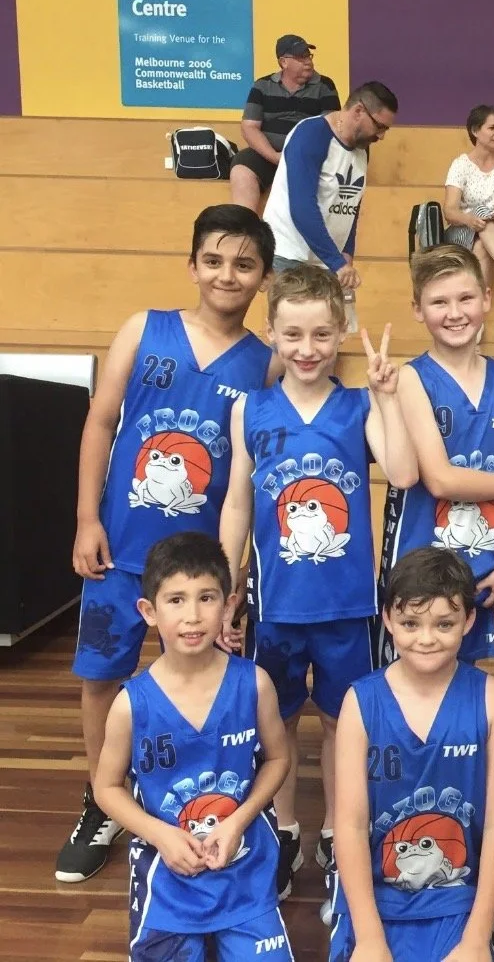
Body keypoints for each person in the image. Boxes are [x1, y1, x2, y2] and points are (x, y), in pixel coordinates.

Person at [58, 205, 277, 885]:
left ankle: (189, 801)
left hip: (200, 568)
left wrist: (235, 575)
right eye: (213, 260)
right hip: (120, 552)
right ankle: (104, 800)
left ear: (263, 277)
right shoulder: (142, 330)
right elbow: (99, 423)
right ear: (191, 265)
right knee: (101, 678)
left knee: (197, 685)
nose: (226, 274)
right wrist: (85, 519)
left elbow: (254, 478)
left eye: (243, 264)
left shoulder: (265, 363)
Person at [218, 264, 418, 903]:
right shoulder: (249, 408)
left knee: (339, 723)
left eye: (322, 335)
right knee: (275, 726)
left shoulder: (358, 405)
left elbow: (407, 473)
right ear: (271, 333)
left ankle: (336, 833)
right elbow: (237, 506)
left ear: (341, 333)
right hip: (274, 605)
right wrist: (228, 586)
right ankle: (283, 831)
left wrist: (387, 395)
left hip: (348, 604)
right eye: (293, 334)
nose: (307, 349)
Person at [92, 532, 292, 961]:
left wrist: (239, 820)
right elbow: (106, 787)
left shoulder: (254, 684)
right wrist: (159, 834)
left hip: (243, 866)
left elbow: (278, 759)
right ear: (149, 610)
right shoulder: (130, 704)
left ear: (227, 605)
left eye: (207, 597)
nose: (193, 615)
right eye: (176, 600)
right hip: (167, 874)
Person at [329, 546, 494, 961]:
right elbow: (349, 825)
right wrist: (370, 939)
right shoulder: (360, 703)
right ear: (388, 620)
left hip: (455, 895)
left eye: (444, 623)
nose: (427, 638)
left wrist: (475, 938)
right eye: (411, 623)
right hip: (372, 896)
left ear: (469, 620)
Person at [380, 244, 494, 663]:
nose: (454, 313)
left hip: (484, 559)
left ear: (486, 298)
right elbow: (442, 479)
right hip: (422, 557)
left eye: (465, 298)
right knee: (416, 672)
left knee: (464, 675)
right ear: (417, 309)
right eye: (438, 302)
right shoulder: (411, 378)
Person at [263, 80, 399, 328]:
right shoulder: (311, 134)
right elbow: (302, 208)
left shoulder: (361, 150)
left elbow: (351, 206)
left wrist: (346, 254)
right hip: (292, 254)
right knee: (291, 339)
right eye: (379, 126)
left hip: (329, 258)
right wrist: (337, 262)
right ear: (358, 111)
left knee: (329, 338)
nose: (381, 136)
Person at [230, 34, 341, 212]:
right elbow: (249, 127)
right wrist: (274, 156)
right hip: (269, 155)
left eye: (308, 56)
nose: (308, 62)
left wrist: (297, 153)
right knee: (242, 165)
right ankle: (245, 225)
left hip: (306, 156)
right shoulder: (262, 86)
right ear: (284, 62)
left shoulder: (325, 86)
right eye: (301, 57)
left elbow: (331, 128)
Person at [442, 105, 494, 292]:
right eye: (492, 128)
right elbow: (449, 211)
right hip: (462, 231)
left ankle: (476, 313)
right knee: (481, 211)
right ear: (475, 131)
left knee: (482, 246)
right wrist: (469, 220)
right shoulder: (460, 165)